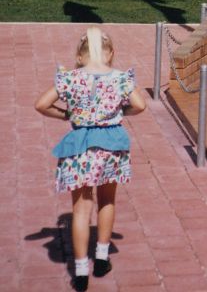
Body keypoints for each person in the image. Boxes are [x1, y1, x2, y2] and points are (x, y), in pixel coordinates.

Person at [35, 28, 147, 291]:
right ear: (111, 54)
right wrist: (120, 112)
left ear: (79, 55)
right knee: (107, 200)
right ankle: (101, 258)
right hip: (111, 146)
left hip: (79, 148)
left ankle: (81, 272)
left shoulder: (69, 78)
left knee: (80, 210)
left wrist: (66, 115)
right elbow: (140, 105)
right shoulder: (120, 79)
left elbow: (41, 104)